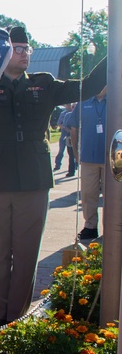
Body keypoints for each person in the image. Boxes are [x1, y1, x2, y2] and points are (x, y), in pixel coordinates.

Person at [0, 26, 106, 328]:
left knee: (25, 255)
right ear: (4, 52)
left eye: (27, 49)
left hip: (33, 182)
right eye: (18, 48)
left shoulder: (44, 84)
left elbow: (89, 85)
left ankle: (15, 320)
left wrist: (115, 49)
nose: (25, 54)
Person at [65, 87, 109, 240]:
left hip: (111, 160)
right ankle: (90, 226)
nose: (100, 87)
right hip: (89, 158)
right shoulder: (83, 103)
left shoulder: (117, 100)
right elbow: (74, 129)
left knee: (112, 196)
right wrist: (77, 155)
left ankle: (111, 227)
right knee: (88, 194)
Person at [53, 103, 77, 176]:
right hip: (66, 135)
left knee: (74, 152)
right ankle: (58, 164)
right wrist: (70, 131)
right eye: (70, 105)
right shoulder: (65, 114)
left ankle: (75, 166)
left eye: (73, 106)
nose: (71, 107)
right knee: (62, 150)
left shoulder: (77, 114)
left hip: (75, 136)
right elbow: (61, 124)